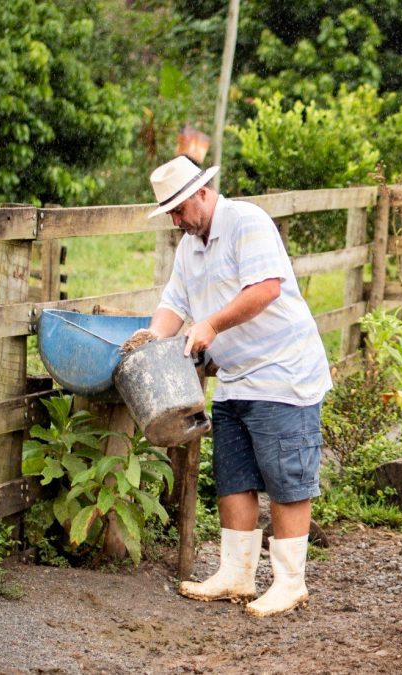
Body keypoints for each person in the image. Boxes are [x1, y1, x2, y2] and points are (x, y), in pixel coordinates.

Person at [141, 155, 332, 617]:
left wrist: (210, 324)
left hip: (282, 371)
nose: (176, 220)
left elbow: (266, 288)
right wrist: (150, 339)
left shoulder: (247, 221)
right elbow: (173, 302)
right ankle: (237, 573)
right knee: (234, 476)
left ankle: (290, 583)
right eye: (169, 211)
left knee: (286, 479)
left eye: (179, 209)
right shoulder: (190, 247)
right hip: (235, 376)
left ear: (202, 194)